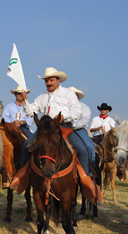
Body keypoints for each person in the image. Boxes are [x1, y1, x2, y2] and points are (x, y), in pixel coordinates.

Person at [11, 67, 97, 200]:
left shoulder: (68, 94)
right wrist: (26, 100)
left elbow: (77, 111)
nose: (49, 83)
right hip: (45, 129)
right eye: (46, 81)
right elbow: (30, 111)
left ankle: (86, 178)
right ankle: (22, 175)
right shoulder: (42, 97)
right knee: (28, 144)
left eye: (51, 80)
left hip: (63, 126)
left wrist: (63, 117)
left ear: (58, 80)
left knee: (83, 148)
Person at [69, 86, 96, 166]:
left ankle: (90, 167)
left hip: (79, 130)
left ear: (77, 96)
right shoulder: (63, 107)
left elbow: (84, 120)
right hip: (64, 128)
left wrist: (72, 125)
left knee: (89, 146)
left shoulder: (84, 107)